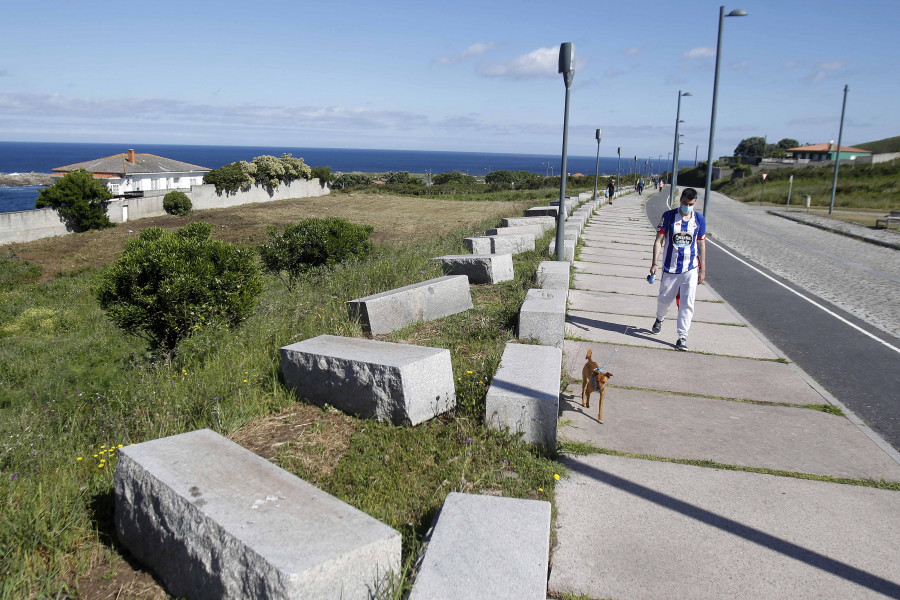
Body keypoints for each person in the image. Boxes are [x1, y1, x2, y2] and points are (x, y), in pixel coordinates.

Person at [649, 187, 706, 351]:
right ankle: (660, 318)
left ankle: (682, 337)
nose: (687, 206)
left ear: (695, 203)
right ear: (680, 200)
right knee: (664, 299)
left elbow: (701, 243)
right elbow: (659, 240)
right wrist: (654, 263)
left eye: (691, 204)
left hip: (690, 268)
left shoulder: (699, 219)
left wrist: (702, 269)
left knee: (687, 303)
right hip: (670, 268)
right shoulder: (668, 217)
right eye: (684, 202)